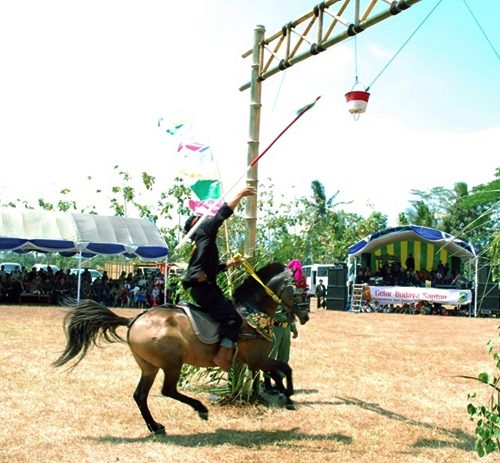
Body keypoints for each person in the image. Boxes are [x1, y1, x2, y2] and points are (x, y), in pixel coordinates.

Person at [182, 186, 257, 371]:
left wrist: (230, 263)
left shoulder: (202, 241)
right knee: (234, 319)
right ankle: (222, 356)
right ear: (193, 226)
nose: (202, 217)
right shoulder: (203, 231)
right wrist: (240, 193)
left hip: (204, 289)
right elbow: (222, 214)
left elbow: (212, 268)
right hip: (205, 290)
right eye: (197, 217)